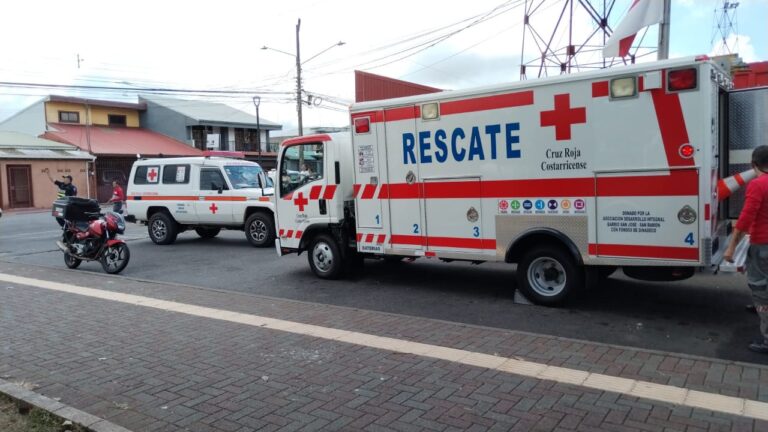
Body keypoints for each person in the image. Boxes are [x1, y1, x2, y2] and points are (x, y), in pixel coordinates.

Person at [724, 145, 768, 354]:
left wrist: (731, 248)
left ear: (753, 164)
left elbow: (745, 219)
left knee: (761, 290)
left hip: (763, 245)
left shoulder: (758, 185)